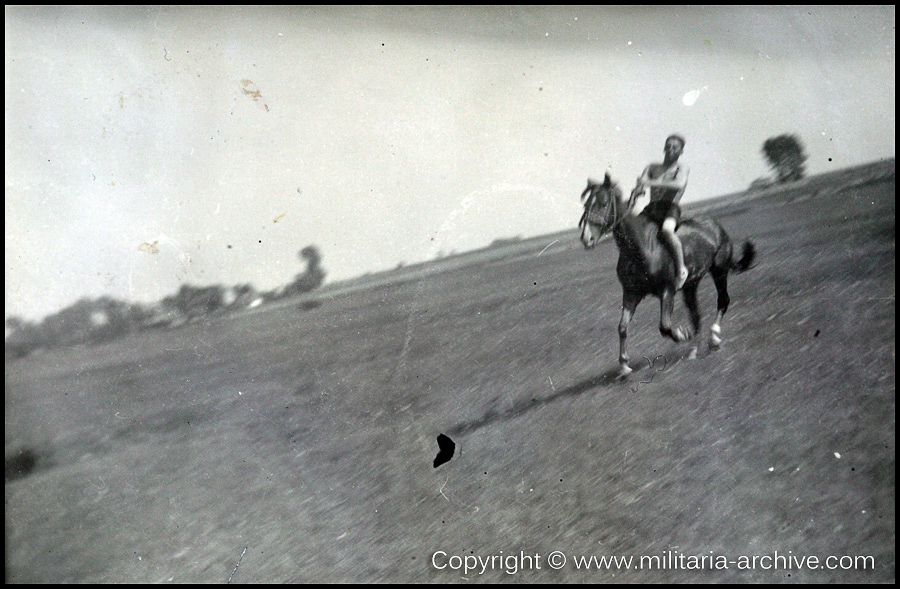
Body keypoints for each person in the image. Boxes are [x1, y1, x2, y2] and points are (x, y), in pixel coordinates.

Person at [629, 134, 690, 289]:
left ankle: (681, 269)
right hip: (652, 207)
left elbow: (678, 184)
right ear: (664, 148)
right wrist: (636, 193)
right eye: (668, 146)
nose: (670, 149)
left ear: (681, 151)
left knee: (667, 231)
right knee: (631, 230)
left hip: (670, 208)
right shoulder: (652, 167)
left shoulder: (681, 168)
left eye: (675, 147)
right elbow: (640, 186)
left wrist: (649, 182)